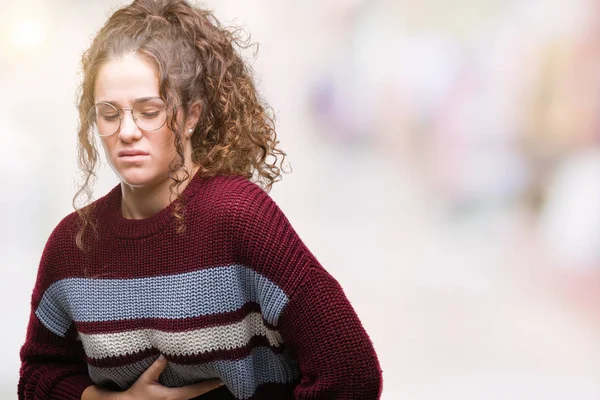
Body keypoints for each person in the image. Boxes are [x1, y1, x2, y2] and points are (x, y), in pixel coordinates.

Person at [17, 0, 383, 399]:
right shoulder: (72, 246)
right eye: (109, 113)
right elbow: (37, 377)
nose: (127, 131)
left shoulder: (239, 218)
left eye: (148, 110)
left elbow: (351, 372)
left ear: (191, 116)